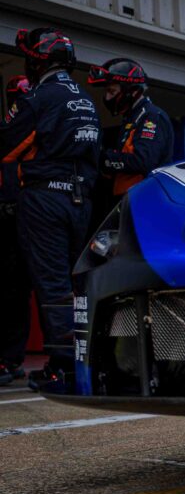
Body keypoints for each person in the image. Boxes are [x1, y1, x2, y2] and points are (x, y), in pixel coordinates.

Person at [0, 28, 101, 390]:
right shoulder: (86, 101)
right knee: (76, 283)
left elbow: (8, 147)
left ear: (37, 59)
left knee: (52, 284)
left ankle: (63, 367)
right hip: (79, 200)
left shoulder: (39, 98)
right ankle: (83, 362)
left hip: (44, 200)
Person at [89, 58, 173, 205]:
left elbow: (142, 162)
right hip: (127, 200)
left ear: (131, 91)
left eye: (112, 91)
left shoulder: (151, 116)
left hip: (145, 201)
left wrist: (103, 158)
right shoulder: (133, 117)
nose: (107, 97)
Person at [0, 75, 32, 386]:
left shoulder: (41, 131)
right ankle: (9, 359)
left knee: (16, 291)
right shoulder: (8, 132)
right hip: (8, 220)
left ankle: (12, 359)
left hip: (26, 219)